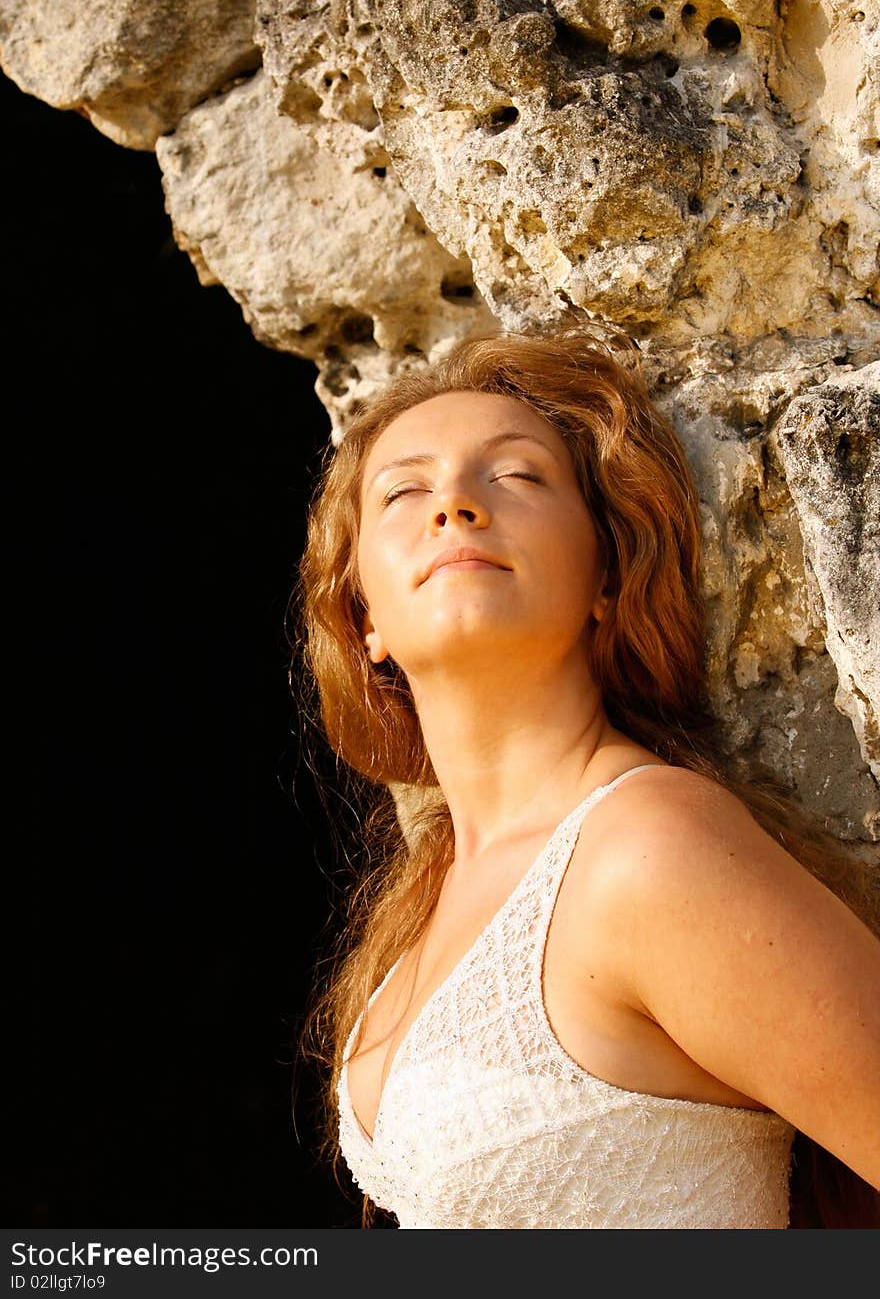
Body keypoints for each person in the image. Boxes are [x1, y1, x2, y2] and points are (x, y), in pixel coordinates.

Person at [292, 326, 880, 1228]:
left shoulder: (649, 851)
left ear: (606, 572)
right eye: (404, 491)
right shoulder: (423, 905)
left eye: (518, 476)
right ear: (364, 616)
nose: (453, 504)